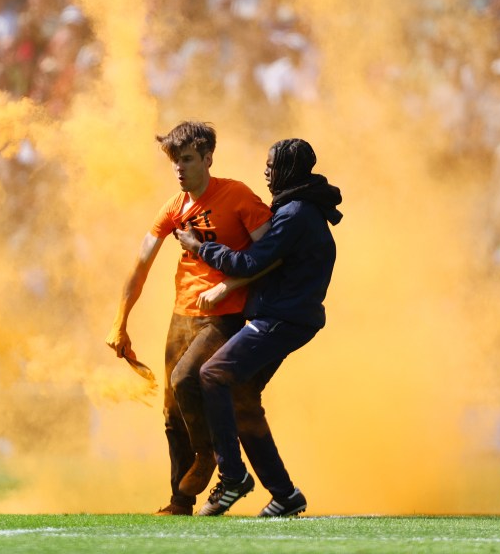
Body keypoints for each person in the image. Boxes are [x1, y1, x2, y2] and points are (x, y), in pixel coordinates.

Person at [104, 121, 273, 516]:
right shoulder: (174, 207)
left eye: (186, 159)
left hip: (224, 315)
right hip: (182, 313)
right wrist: (120, 321)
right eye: (174, 161)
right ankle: (181, 499)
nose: (179, 169)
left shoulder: (237, 196)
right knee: (171, 409)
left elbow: (270, 257)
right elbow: (140, 264)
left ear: (207, 158)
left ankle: (210, 454)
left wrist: (229, 286)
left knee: (185, 379)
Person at [173, 138, 342, 517]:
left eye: (271, 165)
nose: (265, 171)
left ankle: (233, 476)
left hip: (282, 318)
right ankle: (284, 495)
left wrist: (200, 247)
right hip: (289, 316)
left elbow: (250, 263)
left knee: (212, 374)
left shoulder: (295, 212)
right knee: (242, 397)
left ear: (288, 169)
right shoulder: (300, 208)